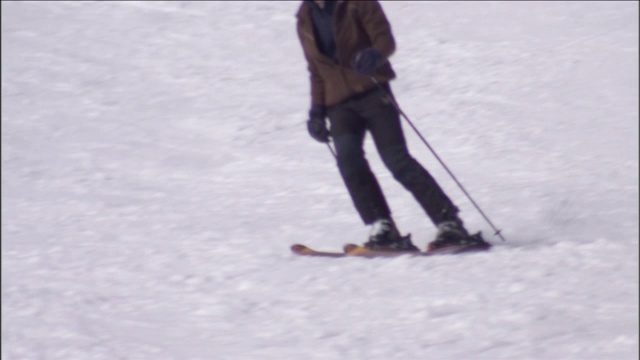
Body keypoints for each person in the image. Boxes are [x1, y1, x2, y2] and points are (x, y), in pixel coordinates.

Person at [296, 0, 489, 252]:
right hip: (339, 105)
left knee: (396, 160)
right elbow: (316, 70)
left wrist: (374, 54)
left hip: (372, 92)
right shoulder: (304, 17)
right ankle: (382, 226)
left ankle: (449, 223)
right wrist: (317, 111)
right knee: (349, 161)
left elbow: (385, 40)